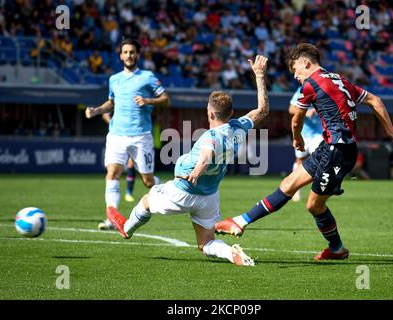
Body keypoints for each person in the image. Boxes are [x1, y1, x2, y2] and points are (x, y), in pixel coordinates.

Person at [215, 43, 393, 260]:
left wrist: (297, 139)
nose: (295, 76)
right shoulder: (339, 79)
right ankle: (240, 222)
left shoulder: (311, 84)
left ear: (306, 63)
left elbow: (296, 117)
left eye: (296, 70)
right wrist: (392, 133)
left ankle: (337, 249)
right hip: (330, 147)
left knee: (314, 205)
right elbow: (376, 100)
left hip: (339, 150)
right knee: (288, 184)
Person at [107, 55, 270, 266]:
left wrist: (195, 173)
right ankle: (231, 254)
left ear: (210, 113)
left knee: (147, 201)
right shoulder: (239, 128)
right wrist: (259, 76)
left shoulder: (211, 137)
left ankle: (126, 228)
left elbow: (206, 155)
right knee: (206, 243)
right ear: (230, 113)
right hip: (209, 196)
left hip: (184, 190)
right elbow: (263, 109)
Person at [85, 38, 170, 231]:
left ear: (137, 55)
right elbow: (111, 102)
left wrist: (148, 101)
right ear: (120, 55)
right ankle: (112, 218)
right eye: (126, 52)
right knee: (112, 173)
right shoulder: (114, 79)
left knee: (148, 182)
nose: (129, 55)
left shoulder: (148, 77)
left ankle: (169, 191)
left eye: (132, 52)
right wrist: (97, 110)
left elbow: (166, 99)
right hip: (116, 135)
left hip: (141, 136)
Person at [288, 87, 323, 202]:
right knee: (300, 160)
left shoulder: (323, 88)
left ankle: (317, 191)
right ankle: (295, 189)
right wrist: (306, 112)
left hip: (319, 133)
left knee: (320, 159)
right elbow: (291, 109)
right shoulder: (302, 90)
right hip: (304, 133)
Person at [102, 113, 137, 202]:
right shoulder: (116, 101)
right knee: (112, 172)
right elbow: (105, 114)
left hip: (134, 137)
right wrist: (113, 124)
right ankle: (111, 207)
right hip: (117, 137)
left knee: (147, 179)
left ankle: (129, 192)